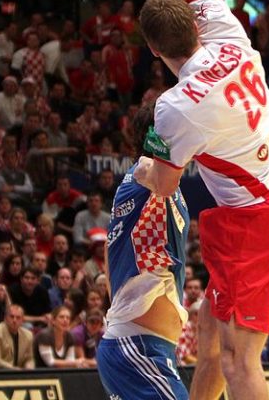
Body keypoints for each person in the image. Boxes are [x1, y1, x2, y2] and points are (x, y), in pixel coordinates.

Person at [53, 0, 269, 400]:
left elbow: (165, 183)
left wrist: (143, 164)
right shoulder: (229, 36)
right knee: (209, 339)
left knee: (239, 361)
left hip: (254, 225)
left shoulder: (176, 105)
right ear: (195, 23)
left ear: (152, 50)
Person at [88, 102, 190, 400]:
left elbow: (109, 250)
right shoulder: (146, 170)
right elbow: (157, 173)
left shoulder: (147, 191)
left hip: (142, 348)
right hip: (137, 349)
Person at [0, 304, 34, 369]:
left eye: (18, 317)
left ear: (22, 320)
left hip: (19, 372)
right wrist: (14, 369)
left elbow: (29, 358)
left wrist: (29, 368)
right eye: (11, 317)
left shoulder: (28, 335)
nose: (14, 320)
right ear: (5, 318)